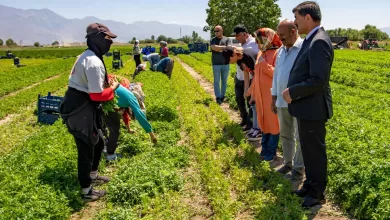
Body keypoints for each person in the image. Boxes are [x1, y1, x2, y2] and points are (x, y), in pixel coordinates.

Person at [59, 23, 119, 202]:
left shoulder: (88, 56)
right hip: (80, 108)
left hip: (82, 104)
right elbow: (97, 95)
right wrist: (114, 88)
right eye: (108, 38)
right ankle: (86, 191)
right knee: (85, 148)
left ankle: (93, 175)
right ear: (97, 39)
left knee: (99, 141)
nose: (110, 42)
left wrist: (106, 81)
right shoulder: (93, 62)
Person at [283, 1, 334, 208]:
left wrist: (292, 92)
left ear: (307, 17)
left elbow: (318, 80)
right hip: (307, 107)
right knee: (308, 149)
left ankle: (317, 193)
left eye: (296, 17)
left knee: (315, 152)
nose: (295, 22)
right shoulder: (311, 39)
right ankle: (310, 185)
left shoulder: (319, 41)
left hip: (313, 108)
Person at [271, 20, 305, 181]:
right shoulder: (281, 51)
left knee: (300, 136)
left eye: (282, 35)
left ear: (293, 32)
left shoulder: (304, 48)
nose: (280, 38)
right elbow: (277, 75)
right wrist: (274, 97)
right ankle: (288, 163)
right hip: (282, 101)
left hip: (298, 100)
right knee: (285, 134)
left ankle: (299, 169)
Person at [104, 75, 157, 162]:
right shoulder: (132, 99)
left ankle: (105, 143)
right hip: (104, 99)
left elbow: (124, 112)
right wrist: (151, 134)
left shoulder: (127, 92)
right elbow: (140, 116)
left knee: (107, 124)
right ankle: (110, 154)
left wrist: (128, 129)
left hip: (102, 96)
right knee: (114, 129)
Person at [248, 28, 282, 161]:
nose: (256, 44)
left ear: (266, 39)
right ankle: (264, 148)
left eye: (258, 41)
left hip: (271, 95)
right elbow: (256, 76)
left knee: (273, 124)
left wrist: (265, 65)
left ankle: (271, 151)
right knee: (263, 122)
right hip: (260, 96)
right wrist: (252, 94)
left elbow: (278, 74)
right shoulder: (261, 54)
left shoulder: (277, 53)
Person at [231, 24, 261, 138]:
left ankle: (253, 124)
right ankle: (245, 119)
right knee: (239, 99)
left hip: (251, 77)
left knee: (251, 102)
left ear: (245, 34)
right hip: (240, 76)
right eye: (236, 36)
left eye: (238, 35)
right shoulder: (239, 45)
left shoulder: (254, 44)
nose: (237, 38)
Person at [210, 25, 232, 105]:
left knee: (224, 81)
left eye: (217, 30)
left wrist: (219, 48)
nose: (216, 32)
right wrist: (223, 48)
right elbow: (213, 47)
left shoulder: (227, 39)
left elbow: (229, 48)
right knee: (216, 81)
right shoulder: (212, 40)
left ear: (222, 31)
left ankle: (222, 96)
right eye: (215, 31)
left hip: (226, 64)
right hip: (216, 64)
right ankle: (218, 97)